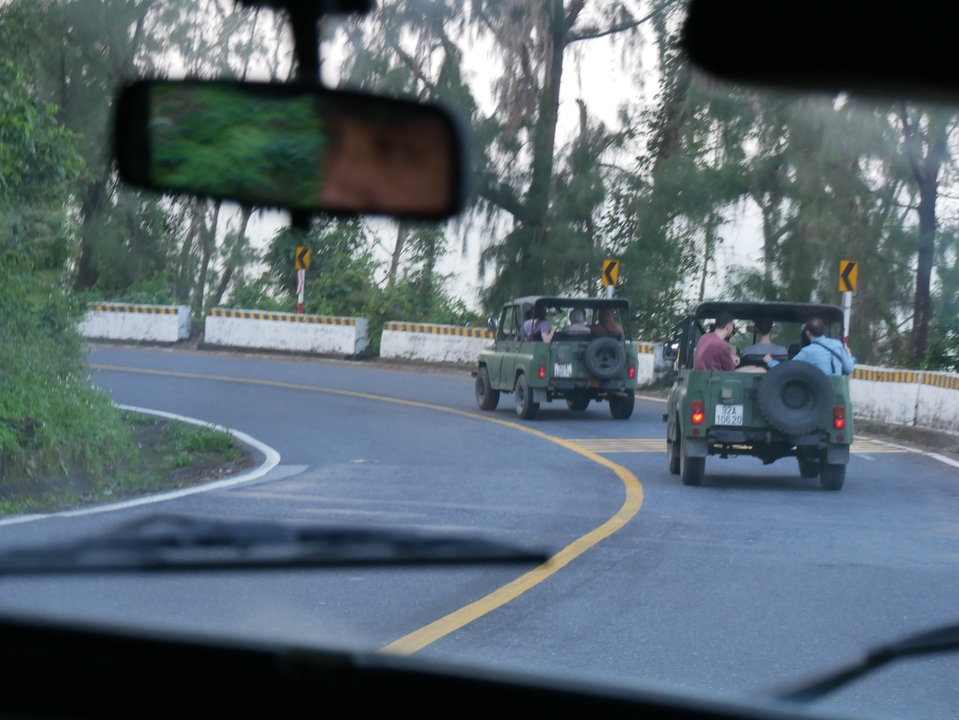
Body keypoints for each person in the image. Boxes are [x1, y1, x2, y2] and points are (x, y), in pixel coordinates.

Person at [764, 317, 856, 375]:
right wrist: (850, 356)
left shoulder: (807, 351)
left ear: (807, 333)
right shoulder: (837, 344)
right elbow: (849, 368)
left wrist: (770, 361)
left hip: (819, 393)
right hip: (837, 389)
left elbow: (787, 370)